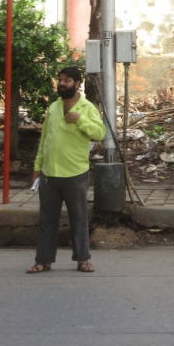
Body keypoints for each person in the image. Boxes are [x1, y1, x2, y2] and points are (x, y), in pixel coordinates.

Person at [26, 67, 106, 274]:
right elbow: (45, 140)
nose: (62, 84)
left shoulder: (87, 108)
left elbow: (100, 133)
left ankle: (83, 259)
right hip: (50, 175)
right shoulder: (53, 108)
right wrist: (37, 168)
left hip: (75, 174)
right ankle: (43, 260)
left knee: (78, 218)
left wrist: (80, 119)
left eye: (67, 80)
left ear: (78, 84)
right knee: (46, 220)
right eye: (60, 80)